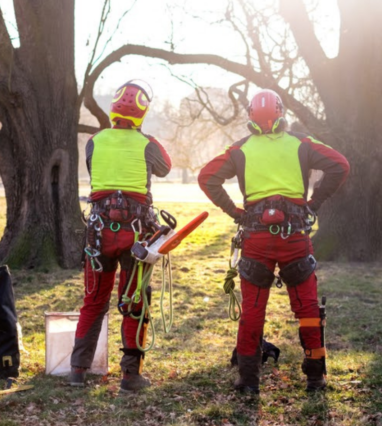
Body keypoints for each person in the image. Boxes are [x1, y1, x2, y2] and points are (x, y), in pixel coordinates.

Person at [198, 89, 349, 393]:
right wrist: (314, 202)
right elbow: (340, 165)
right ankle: (315, 377)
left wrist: (235, 211)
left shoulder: (240, 148)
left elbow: (206, 177)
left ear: (250, 116)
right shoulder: (300, 143)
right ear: (280, 114)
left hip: (255, 236)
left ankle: (248, 380)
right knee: (306, 307)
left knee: (253, 309)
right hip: (294, 236)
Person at [68, 80, 172, 393]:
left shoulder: (94, 141)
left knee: (93, 301)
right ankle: (130, 377)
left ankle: (77, 371)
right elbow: (165, 168)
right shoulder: (147, 143)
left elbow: (92, 167)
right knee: (134, 301)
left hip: (99, 234)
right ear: (142, 113)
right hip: (136, 235)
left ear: (113, 107)